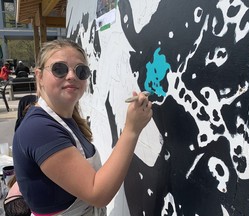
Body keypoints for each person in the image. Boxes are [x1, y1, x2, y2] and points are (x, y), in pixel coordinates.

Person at [13, 39, 153, 215]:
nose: (71, 76)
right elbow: (97, 193)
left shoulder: (63, 119)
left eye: (81, 71)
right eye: (59, 69)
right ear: (39, 76)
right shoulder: (39, 129)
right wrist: (132, 129)